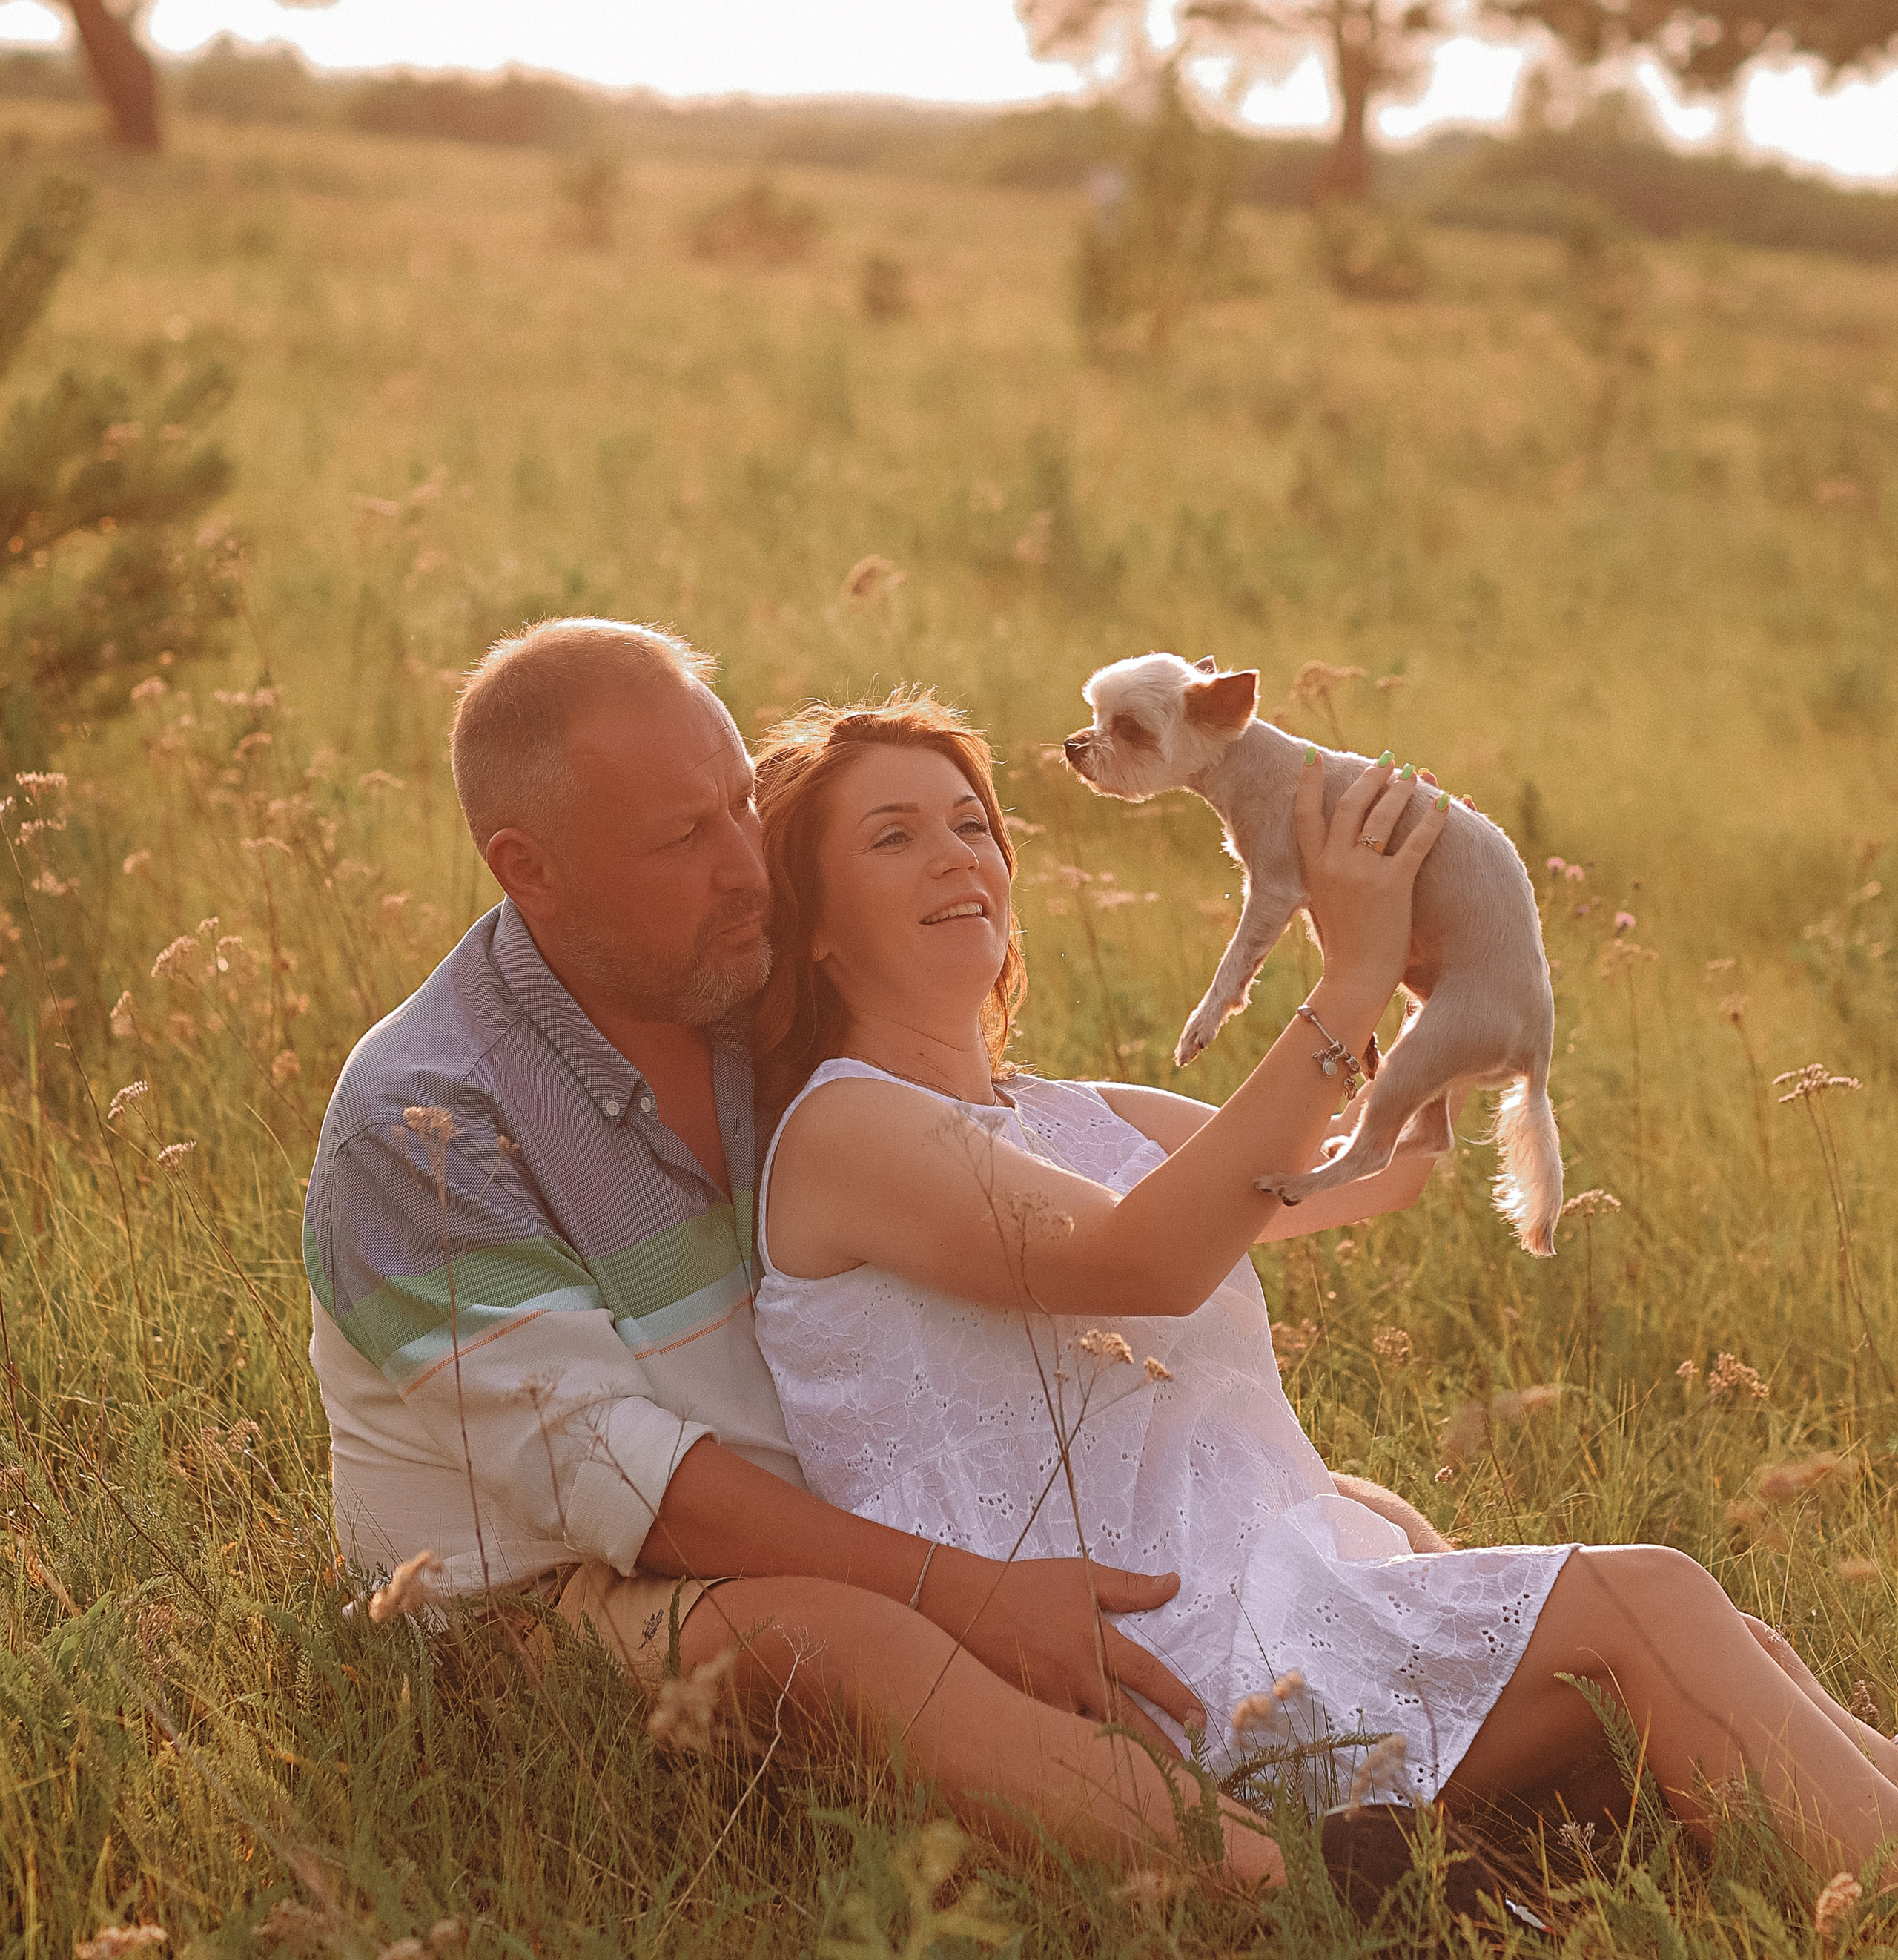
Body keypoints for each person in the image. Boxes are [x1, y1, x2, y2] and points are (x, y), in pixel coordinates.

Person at [305, 616, 1432, 1890]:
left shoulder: (739, 987)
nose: (747, 868)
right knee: (849, 1643)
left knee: (1336, 1511)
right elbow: (629, 1487)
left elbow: (990, 1146)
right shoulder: (426, 1129)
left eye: (741, 807)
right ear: (531, 871)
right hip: (546, 1598)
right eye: (684, 838)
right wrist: (965, 1593)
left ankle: (1463, 1775)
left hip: (831, 1500)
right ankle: (1323, 1902)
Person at [749, 692, 1898, 1881]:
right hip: (1165, 1671)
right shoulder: (848, 1130)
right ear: (813, 922)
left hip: (1284, 1607)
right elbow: (1145, 1261)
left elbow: (1388, 1171)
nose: (957, 855)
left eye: (972, 824)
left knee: (1730, 1645)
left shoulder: (1081, 1118)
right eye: (894, 837)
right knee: (1654, 1605)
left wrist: (1420, 949)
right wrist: (1344, 980)